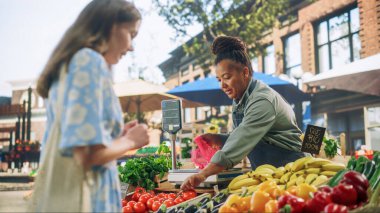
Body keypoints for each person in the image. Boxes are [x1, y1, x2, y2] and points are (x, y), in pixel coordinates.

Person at [33, 0, 148, 212]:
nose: (131, 47)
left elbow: (76, 140)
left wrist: (118, 137)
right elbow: (85, 157)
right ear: (111, 24)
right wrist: (130, 140)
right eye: (131, 33)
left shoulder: (69, 66)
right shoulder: (89, 61)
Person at [181, 36, 307, 191]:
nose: (223, 85)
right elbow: (240, 135)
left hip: (293, 175)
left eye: (226, 78)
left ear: (245, 72)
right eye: (219, 80)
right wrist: (218, 139)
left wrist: (203, 174)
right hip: (269, 177)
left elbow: (243, 138)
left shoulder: (262, 100)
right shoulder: (240, 99)